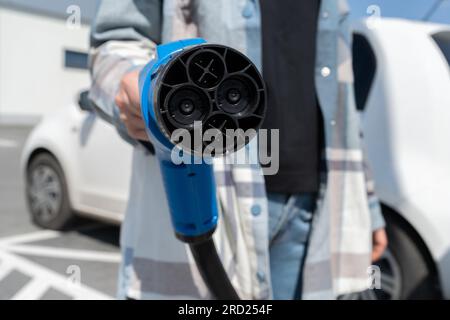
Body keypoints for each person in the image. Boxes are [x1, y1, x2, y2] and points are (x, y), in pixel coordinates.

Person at [89, 0, 387, 300]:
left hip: (314, 210)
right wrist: (132, 87)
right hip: (212, 196)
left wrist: (368, 204)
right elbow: (114, 42)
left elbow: (343, 101)